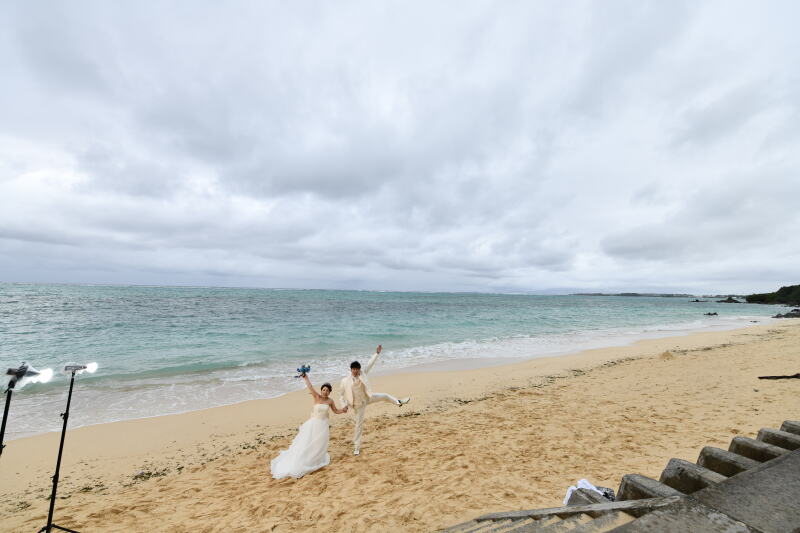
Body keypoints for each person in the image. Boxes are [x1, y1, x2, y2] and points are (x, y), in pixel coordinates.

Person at [270, 372, 347, 479]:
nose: (325, 392)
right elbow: (310, 387)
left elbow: (336, 411)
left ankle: (316, 459)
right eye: (323, 390)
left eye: (327, 390)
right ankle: (306, 460)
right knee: (309, 441)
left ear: (330, 392)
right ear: (321, 390)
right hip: (314, 423)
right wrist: (305, 377)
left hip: (323, 425)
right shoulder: (316, 397)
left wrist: (343, 410)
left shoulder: (330, 401)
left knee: (320, 443)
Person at [339, 344, 410, 456]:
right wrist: (344, 405)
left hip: (367, 398)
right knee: (358, 426)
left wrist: (377, 353)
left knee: (384, 395)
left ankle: (398, 402)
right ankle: (356, 448)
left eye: (357, 369)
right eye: (353, 369)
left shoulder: (362, 373)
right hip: (358, 406)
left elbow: (370, 364)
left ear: (359, 369)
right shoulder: (345, 381)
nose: (355, 371)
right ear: (351, 369)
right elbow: (341, 395)